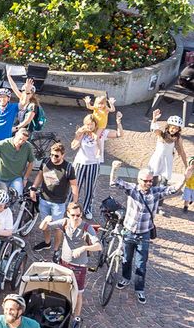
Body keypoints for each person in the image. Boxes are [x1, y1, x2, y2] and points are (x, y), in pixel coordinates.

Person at [108, 160, 194, 304]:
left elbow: (173, 190)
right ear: (139, 180)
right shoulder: (132, 189)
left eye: (150, 181)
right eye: (146, 181)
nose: (149, 183)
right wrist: (114, 169)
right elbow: (114, 182)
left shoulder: (155, 192)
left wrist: (185, 178)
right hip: (129, 231)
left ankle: (139, 289)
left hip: (144, 234)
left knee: (141, 264)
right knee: (126, 259)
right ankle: (125, 278)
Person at [38, 202, 101, 328]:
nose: (76, 218)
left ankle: (76, 318)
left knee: (78, 293)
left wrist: (83, 248)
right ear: (68, 214)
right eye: (73, 215)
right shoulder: (65, 223)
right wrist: (45, 220)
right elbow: (43, 227)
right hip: (64, 263)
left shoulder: (86, 227)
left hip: (79, 267)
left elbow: (98, 246)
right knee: (61, 288)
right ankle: (61, 310)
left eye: (78, 215)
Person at [71, 111, 123, 220]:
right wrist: (78, 135)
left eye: (91, 124)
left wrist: (118, 122)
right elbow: (73, 146)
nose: (89, 126)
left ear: (96, 124)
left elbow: (119, 134)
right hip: (80, 163)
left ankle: (87, 209)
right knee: (76, 187)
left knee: (90, 188)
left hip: (93, 164)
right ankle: (72, 207)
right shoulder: (83, 132)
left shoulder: (102, 133)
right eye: (87, 124)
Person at [30, 142, 79, 253]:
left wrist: (75, 204)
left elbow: (74, 186)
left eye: (56, 155)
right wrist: (33, 188)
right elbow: (40, 175)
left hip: (58, 203)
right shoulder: (45, 161)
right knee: (45, 224)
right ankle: (47, 243)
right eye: (51, 154)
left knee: (58, 227)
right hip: (44, 199)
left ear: (63, 155)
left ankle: (56, 249)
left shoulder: (68, 168)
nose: (53, 157)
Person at [0, 129, 35, 196]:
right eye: (20, 139)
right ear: (16, 134)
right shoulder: (4, 144)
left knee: (17, 197)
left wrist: (25, 178)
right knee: (0, 199)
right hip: (1, 178)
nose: (21, 142)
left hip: (16, 177)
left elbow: (31, 162)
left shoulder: (28, 146)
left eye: (24, 141)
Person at [147, 109, 187, 187]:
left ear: (179, 129)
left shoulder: (178, 138)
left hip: (167, 160)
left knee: (164, 182)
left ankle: (160, 197)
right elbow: (154, 130)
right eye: (172, 127)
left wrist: (186, 165)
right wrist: (154, 119)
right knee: (153, 181)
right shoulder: (161, 134)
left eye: (176, 128)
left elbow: (182, 152)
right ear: (168, 127)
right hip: (157, 159)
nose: (174, 130)